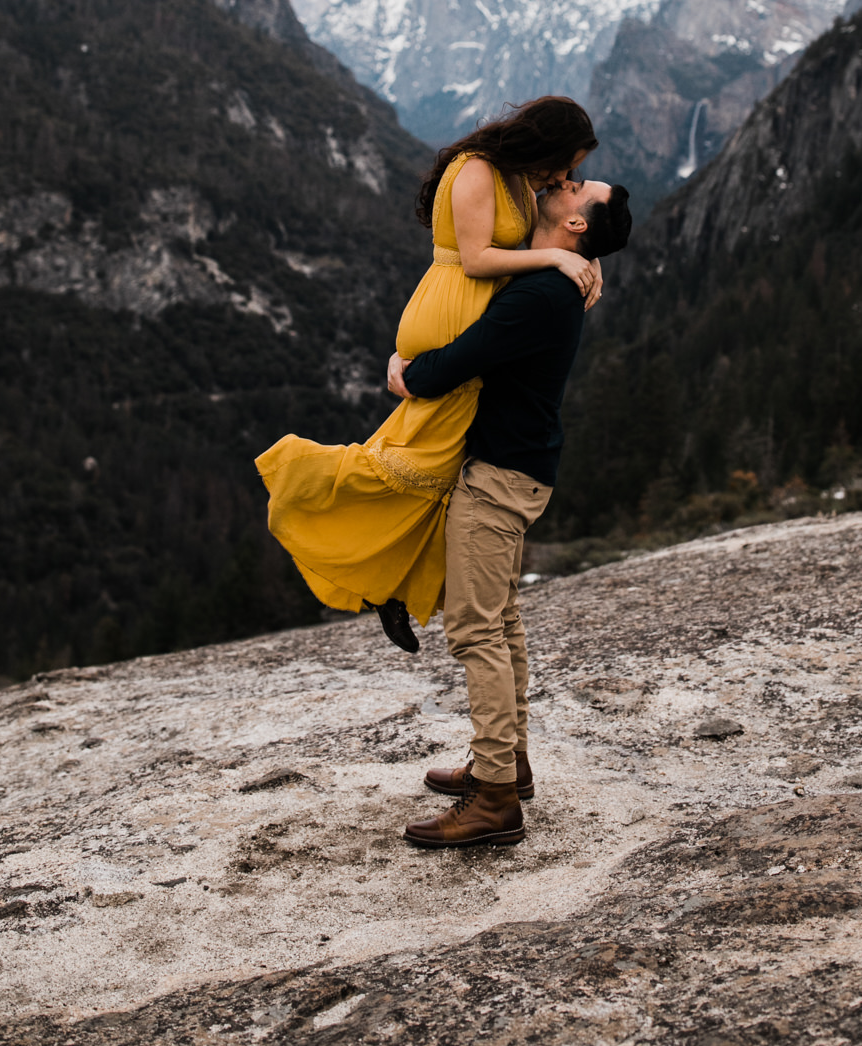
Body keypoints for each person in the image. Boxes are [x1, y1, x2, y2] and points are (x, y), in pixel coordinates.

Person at [254, 97, 603, 648]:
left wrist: (587, 256)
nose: (565, 177)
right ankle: (299, 477)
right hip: (452, 317)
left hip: (471, 322)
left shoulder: (517, 178)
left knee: (438, 474)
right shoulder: (477, 170)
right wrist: (560, 260)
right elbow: (477, 260)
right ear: (544, 144)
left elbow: (556, 225)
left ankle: (390, 584)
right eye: (565, 164)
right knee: (416, 467)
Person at [394, 175, 633, 850]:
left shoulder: (541, 295)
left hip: (499, 476)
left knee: (474, 630)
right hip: (520, 467)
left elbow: (455, 364)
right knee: (501, 620)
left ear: (578, 223)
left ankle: (494, 797)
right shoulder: (555, 280)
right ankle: (510, 764)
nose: (561, 180)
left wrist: (405, 373)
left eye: (577, 184)